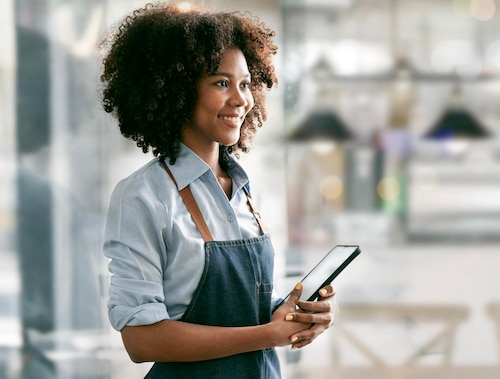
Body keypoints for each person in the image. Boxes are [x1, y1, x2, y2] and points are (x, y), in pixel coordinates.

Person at [99, 3, 337, 378]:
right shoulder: (143, 196)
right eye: (221, 83)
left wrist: (292, 314)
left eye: (245, 84)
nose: (241, 100)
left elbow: (241, 311)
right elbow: (141, 340)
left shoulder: (245, 190)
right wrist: (266, 334)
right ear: (177, 89)